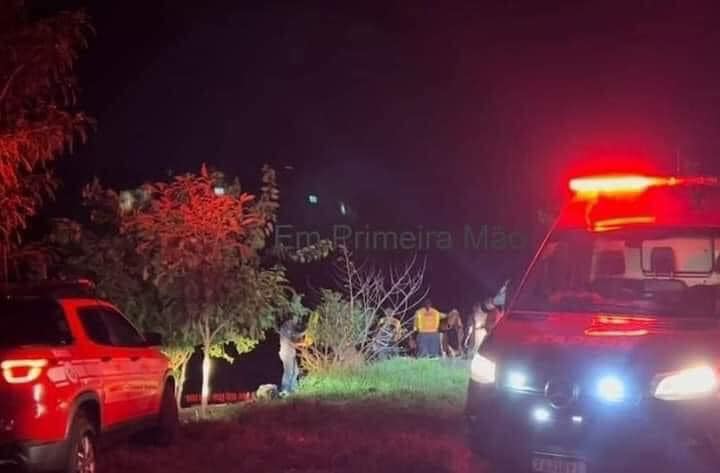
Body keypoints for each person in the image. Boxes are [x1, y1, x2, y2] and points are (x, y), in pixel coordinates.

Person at [277, 317, 304, 395]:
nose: (298, 320)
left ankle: (293, 389)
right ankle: (284, 390)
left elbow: (296, 336)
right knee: (288, 372)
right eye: (297, 319)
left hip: (291, 353)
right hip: (286, 353)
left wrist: (305, 333)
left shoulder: (290, 328)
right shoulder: (286, 327)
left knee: (295, 371)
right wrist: (302, 344)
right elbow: (291, 343)